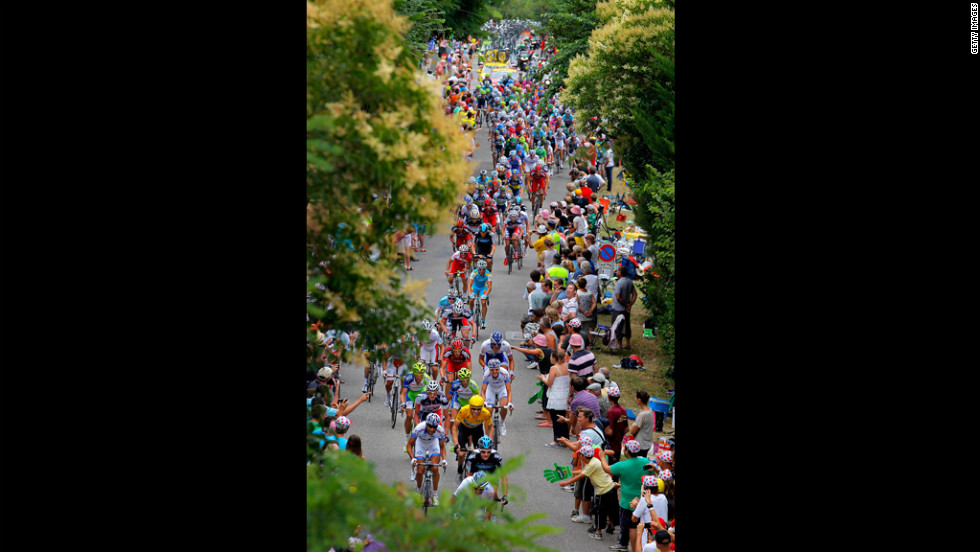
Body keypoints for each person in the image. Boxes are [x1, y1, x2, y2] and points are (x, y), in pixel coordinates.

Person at [556, 435, 616, 541]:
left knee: (599, 511)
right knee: (608, 509)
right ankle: (609, 526)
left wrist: (566, 482)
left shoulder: (592, 464)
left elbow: (581, 475)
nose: (579, 456)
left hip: (603, 490)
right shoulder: (593, 461)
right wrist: (568, 472)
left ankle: (598, 532)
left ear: (584, 456)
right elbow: (582, 472)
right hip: (609, 488)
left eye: (580, 454)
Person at [609, 439, 653, 551]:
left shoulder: (622, 465)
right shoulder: (645, 461)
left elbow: (607, 469)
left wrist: (601, 455)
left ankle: (625, 544)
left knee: (628, 526)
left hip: (626, 501)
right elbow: (652, 472)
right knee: (637, 524)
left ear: (627, 450)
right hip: (641, 499)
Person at [407, 413, 449, 504]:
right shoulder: (419, 428)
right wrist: (413, 459)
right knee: (420, 470)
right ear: (426, 424)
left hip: (433, 444)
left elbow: (442, 447)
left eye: (434, 427)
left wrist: (444, 459)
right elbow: (409, 445)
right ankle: (419, 491)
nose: (432, 429)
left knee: (435, 468)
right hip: (420, 444)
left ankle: (434, 494)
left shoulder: (440, 431)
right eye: (430, 426)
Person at [463, 435, 508, 505]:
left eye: (488, 452)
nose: (486, 454)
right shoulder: (473, 457)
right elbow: (469, 476)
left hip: (491, 477)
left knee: (494, 494)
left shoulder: (496, 456)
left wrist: (505, 495)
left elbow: (503, 477)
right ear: (479, 450)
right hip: (477, 477)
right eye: (483, 452)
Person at [539, 347, 570, 447]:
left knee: (555, 419)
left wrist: (543, 378)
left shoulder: (554, 368)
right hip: (564, 395)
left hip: (556, 396)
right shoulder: (567, 366)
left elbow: (549, 383)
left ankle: (557, 440)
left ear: (554, 358)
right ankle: (565, 439)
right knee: (563, 418)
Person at [400, 362, 432, 452]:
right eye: (417, 374)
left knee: (423, 415)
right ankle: (407, 439)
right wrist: (403, 404)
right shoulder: (409, 377)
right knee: (409, 415)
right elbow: (403, 393)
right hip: (410, 395)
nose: (419, 376)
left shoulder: (426, 378)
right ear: (413, 373)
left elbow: (431, 393)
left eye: (421, 373)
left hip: (421, 393)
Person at [480, 359, 513, 436]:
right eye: (492, 369)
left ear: (499, 368)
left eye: (496, 369)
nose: (494, 371)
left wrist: (509, 403)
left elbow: (509, 391)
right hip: (491, 389)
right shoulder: (486, 374)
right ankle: (487, 437)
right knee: (488, 411)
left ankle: (502, 422)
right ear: (489, 369)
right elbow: (483, 391)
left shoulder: (504, 373)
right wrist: (484, 402)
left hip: (502, 389)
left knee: (504, 405)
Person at [611, 264, 637, 349]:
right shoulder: (629, 281)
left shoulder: (619, 283)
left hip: (618, 308)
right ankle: (628, 343)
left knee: (618, 326)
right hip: (626, 309)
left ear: (620, 273)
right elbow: (635, 294)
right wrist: (630, 304)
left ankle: (619, 344)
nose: (616, 272)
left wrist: (626, 304)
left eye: (617, 270)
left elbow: (618, 297)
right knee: (627, 326)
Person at [466, 259, 493, 330]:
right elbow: (469, 284)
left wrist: (486, 295)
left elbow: (489, 286)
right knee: (471, 300)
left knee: (483, 302)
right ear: (477, 268)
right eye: (480, 269)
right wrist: (469, 293)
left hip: (482, 288)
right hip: (474, 287)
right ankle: (471, 312)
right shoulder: (473, 273)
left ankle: (483, 321)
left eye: (483, 269)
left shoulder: (488, 274)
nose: (481, 271)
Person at [630, 390, 655, 458]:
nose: (635, 399)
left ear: (639, 399)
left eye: (636, 398)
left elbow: (632, 431)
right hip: (647, 443)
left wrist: (633, 425)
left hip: (640, 445)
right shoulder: (650, 410)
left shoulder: (643, 414)